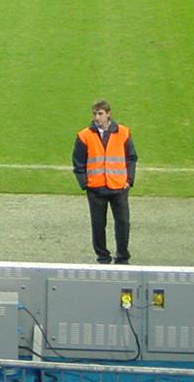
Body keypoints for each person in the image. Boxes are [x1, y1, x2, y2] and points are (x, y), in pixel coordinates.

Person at [72, 99, 137, 264]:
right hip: (96, 189)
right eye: (95, 114)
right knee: (98, 225)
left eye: (100, 114)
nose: (97, 117)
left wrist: (129, 180)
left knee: (123, 223)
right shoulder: (84, 136)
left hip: (119, 187)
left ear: (108, 114)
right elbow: (78, 162)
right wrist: (86, 184)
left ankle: (122, 257)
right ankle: (103, 257)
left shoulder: (123, 133)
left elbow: (131, 158)